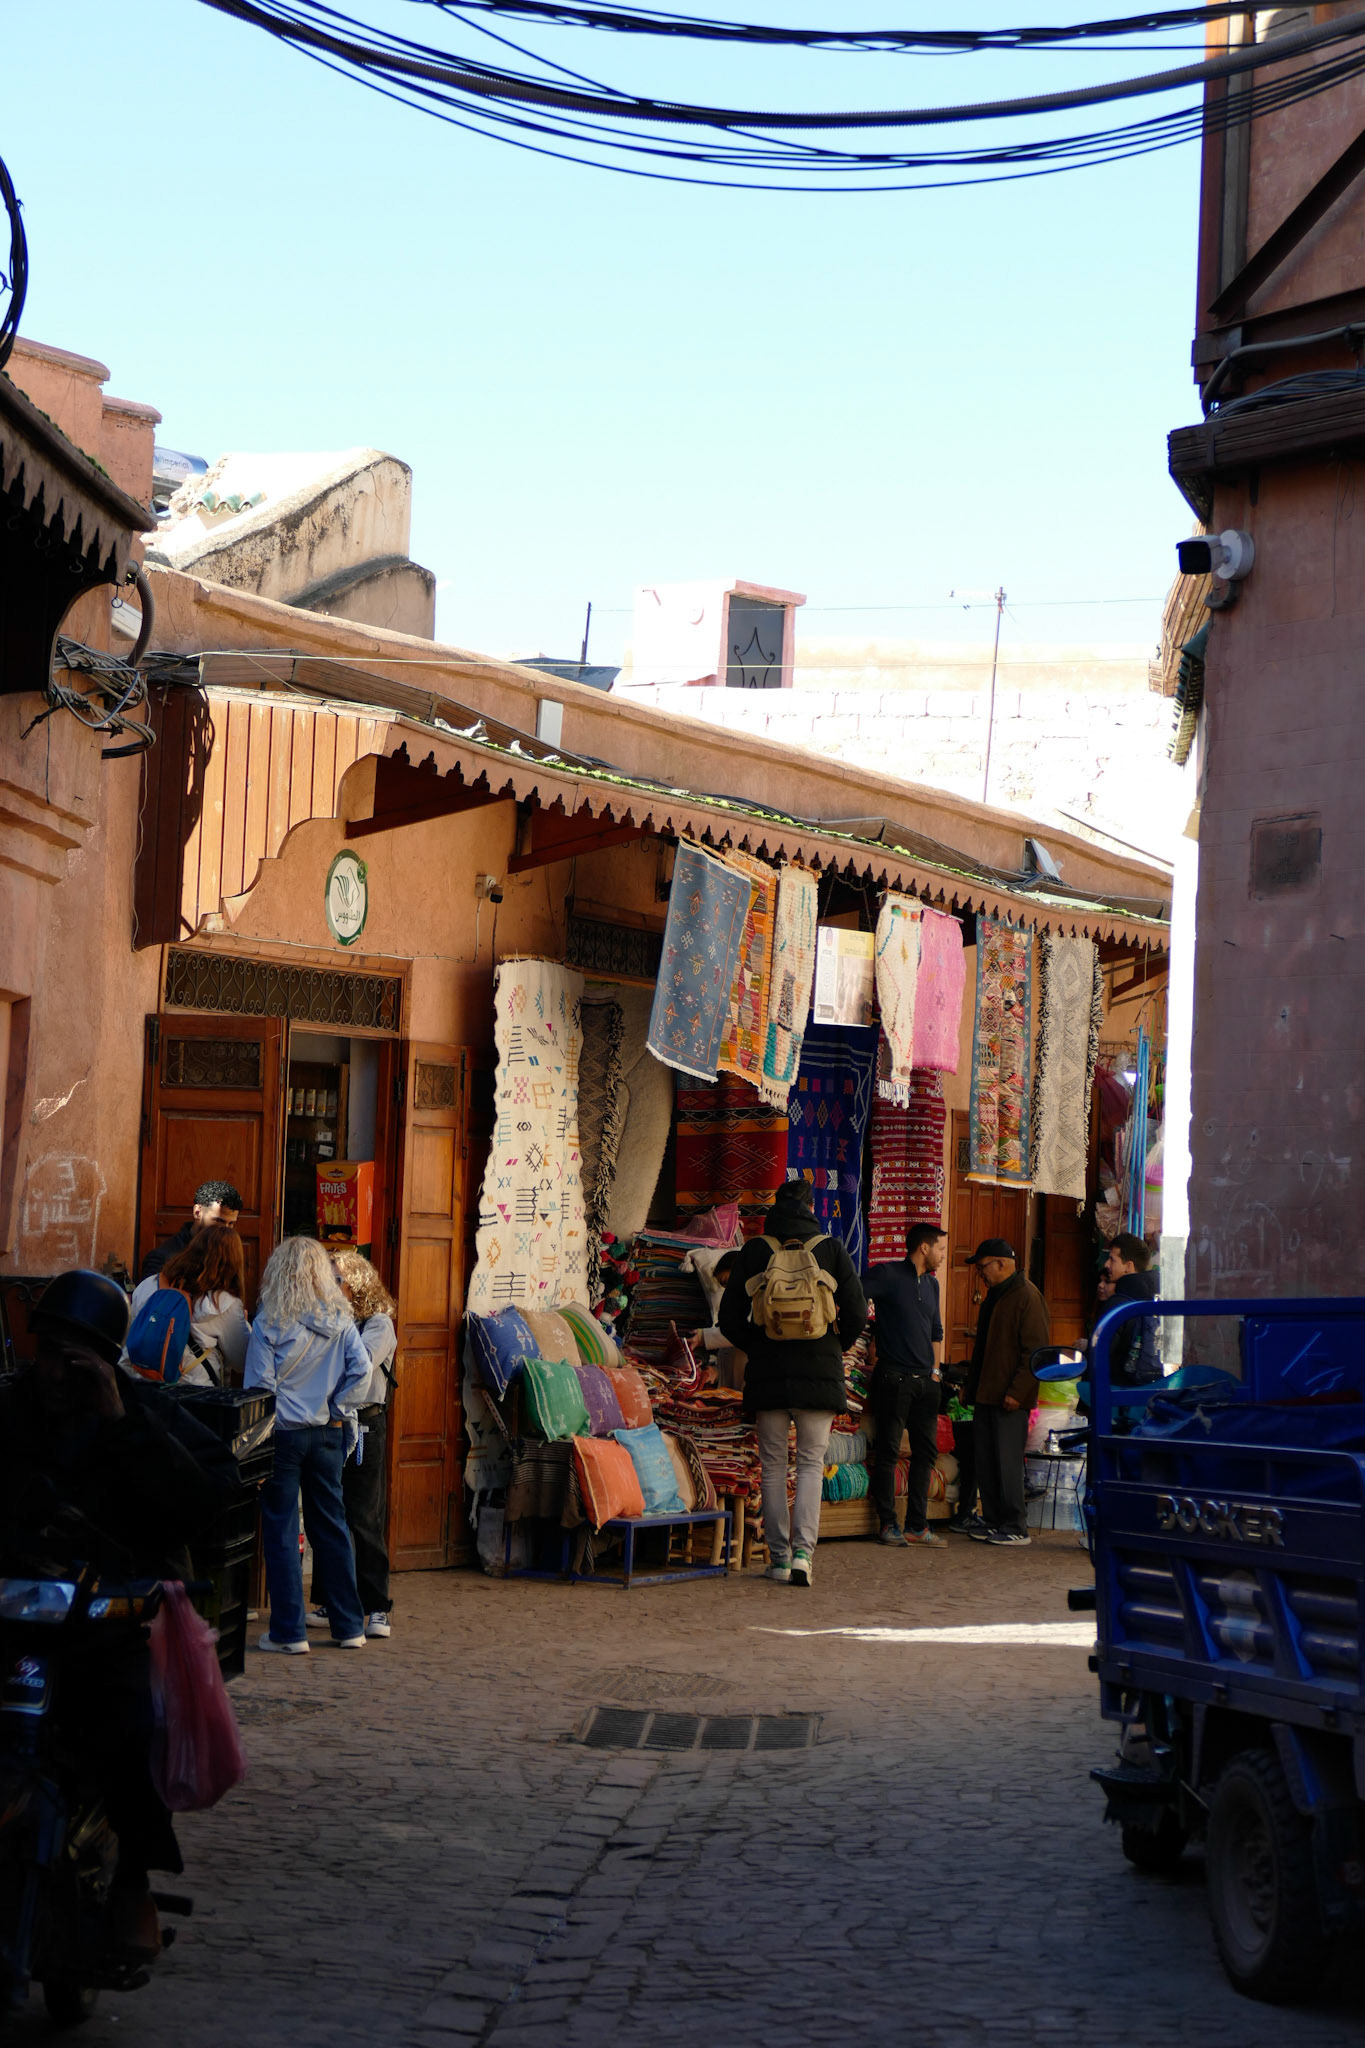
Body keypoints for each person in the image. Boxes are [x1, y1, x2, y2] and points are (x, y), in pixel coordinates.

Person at [0, 1270, 237, 1959]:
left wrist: (122, 1422)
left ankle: (132, 1880)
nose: (54, 1374)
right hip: (16, 1620)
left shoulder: (144, 1412)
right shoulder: (10, 1411)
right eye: (47, 1353)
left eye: (74, 1359)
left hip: (105, 1629)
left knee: (135, 1725)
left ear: (105, 1361)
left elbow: (206, 1497)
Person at [717, 1180, 867, 1588]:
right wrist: (833, 1345)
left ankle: (779, 1558)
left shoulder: (755, 1251)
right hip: (820, 1373)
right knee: (811, 1465)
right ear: (812, 1208)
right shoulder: (830, 1249)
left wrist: (759, 1346)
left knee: (772, 1467)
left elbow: (728, 1319)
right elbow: (856, 1311)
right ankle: (803, 1555)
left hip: (769, 1376)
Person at [245, 1237, 372, 1653]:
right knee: (332, 1526)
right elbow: (362, 1369)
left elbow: (259, 1388)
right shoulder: (340, 1318)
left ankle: (289, 1632)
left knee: (282, 1530)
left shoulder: (269, 1320)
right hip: (327, 1432)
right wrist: (338, 1407)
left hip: (283, 1435)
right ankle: (349, 1626)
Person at [310, 1248, 397, 1640]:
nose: (329, 1287)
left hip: (364, 1425)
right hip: (331, 1421)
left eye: (337, 1280)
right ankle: (330, 1600)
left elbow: (358, 1362)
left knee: (364, 1516)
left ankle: (377, 1606)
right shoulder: (331, 1319)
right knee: (330, 1515)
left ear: (356, 1284)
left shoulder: (378, 1324)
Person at [961, 1238, 1050, 1548]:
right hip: (987, 1395)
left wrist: (1018, 1391)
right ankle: (994, 1519)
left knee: (1006, 1462)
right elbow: (984, 1350)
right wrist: (970, 1387)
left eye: (982, 1267)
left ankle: (1015, 1525)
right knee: (986, 1461)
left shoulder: (1027, 1296)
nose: (980, 1275)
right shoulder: (994, 1297)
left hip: (1010, 1399)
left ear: (1001, 1264)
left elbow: (1036, 1352)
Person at [865, 1224, 948, 1548]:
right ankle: (888, 1524)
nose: (943, 1255)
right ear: (924, 1248)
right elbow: (854, 1293)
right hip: (893, 1378)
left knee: (925, 1454)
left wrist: (935, 1373)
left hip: (926, 1383)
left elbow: (936, 1331)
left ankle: (917, 1524)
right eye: (941, 1248)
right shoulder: (888, 1275)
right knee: (888, 1451)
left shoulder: (932, 1284)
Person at [124, 1222, 250, 1387]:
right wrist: (245, 1324)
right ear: (233, 1263)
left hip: (140, 1384)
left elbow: (131, 1331)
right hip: (193, 1392)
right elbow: (241, 1360)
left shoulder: (150, 1283)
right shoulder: (223, 1304)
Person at [140, 1179, 243, 1281]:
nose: (225, 1229)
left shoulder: (228, 1255)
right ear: (197, 1212)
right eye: (218, 1221)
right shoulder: (162, 1258)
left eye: (231, 1223)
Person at [1101, 1233, 1162, 1388]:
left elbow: (1100, 1355)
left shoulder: (1117, 1304)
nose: (1106, 1264)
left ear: (1128, 1266)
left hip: (1116, 1391)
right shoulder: (1158, 1300)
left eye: (1112, 1259)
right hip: (1152, 1389)